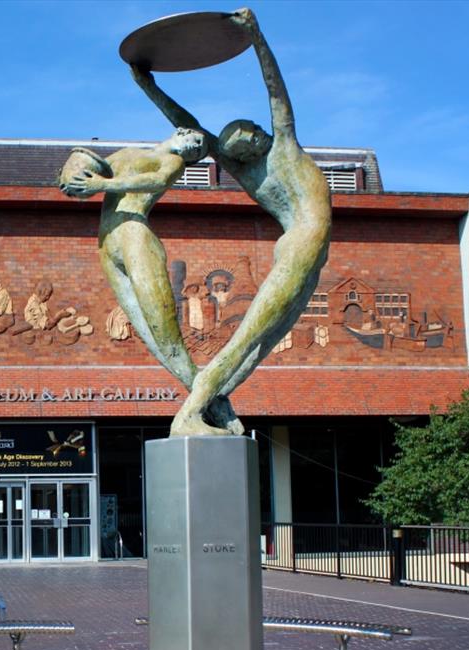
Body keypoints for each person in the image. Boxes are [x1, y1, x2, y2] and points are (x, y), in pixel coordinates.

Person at [131, 7, 333, 436]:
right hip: (300, 244)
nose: (262, 133)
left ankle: (214, 406)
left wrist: (151, 87)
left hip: (305, 250)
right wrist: (255, 38)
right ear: (247, 149)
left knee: (259, 345)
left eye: (256, 131)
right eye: (254, 135)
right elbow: (269, 97)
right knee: (247, 338)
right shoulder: (279, 156)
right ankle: (190, 413)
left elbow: (205, 124)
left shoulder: (264, 159)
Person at [60, 127, 210, 396]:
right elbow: (88, 179)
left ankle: (206, 399)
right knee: (147, 333)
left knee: (163, 327)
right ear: (182, 131)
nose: (195, 150)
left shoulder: (173, 162)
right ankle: (202, 397)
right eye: (196, 142)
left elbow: (157, 180)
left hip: (135, 233)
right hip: (108, 241)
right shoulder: (126, 153)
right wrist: (72, 184)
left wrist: (102, 185)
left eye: (198, 153)